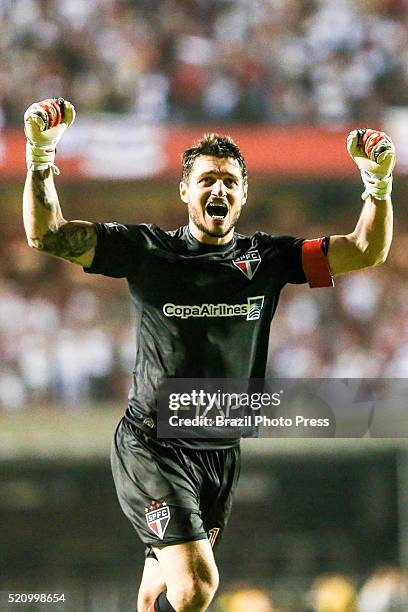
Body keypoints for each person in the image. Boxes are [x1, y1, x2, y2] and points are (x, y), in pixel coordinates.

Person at [22, 98, 395, 612]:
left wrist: (377, 185)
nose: (217, 188)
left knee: (160, 590)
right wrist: (41, 155)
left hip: (220, 449)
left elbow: (365, 250)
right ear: (185, 191)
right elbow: (48, 235)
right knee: (197, 585)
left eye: (228, 181)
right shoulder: (147, 249)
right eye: (206, 180)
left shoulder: (267, 258)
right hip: (154, 445)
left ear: (243, 196)